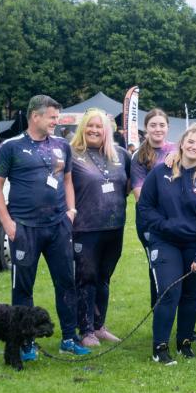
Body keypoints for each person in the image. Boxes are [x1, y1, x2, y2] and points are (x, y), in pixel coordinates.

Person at [0, 95, 89, 359]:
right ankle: (25, 343)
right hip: (24, 227)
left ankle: (69, 337)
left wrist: (71, 212)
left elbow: (67, 181)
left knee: (66, 282)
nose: (56, 122)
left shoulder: (61, 145)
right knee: (23, 288)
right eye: (52, 117)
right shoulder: (10, 147)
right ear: (36, 116)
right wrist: (9, 224)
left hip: (58, 226)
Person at [137, 124, 196, 364]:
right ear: (181, 144)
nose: (194, 147)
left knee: (191, 296)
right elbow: (144, 207)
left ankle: (184, 342)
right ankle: (159, 348)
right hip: (165, 243)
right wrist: (165, 226)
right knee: (168, 292)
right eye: (191, 141)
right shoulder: (160, 172)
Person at [69, 109, 131, 347]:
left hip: (114, 227)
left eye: (99, 126)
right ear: (83, 127)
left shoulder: (121, 155)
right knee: (86, 277)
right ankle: (85, 330)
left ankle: (99, 325)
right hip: (85, 227)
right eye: (90, 126)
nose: (94, 130)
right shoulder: (71, 154)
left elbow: (129, 184)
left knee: (104, 278)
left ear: (108, 130)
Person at [130, 109, 175, 314]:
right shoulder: (139, 156)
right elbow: (140, 195)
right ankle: (159, 315)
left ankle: (181, 320)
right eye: (153, 125)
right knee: (157, 269)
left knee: (178, 268)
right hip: (152, 223)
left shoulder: (177, 150)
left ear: (167, 127)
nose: (158, 129)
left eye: (161, 125)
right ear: (146, 128)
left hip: (177, 220)